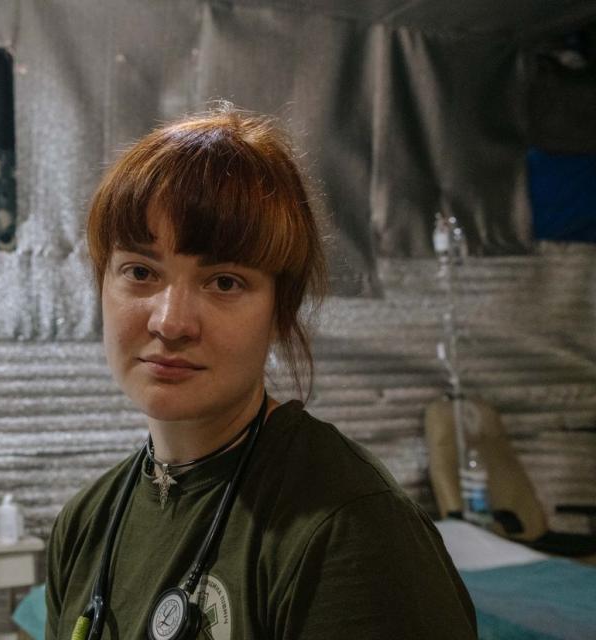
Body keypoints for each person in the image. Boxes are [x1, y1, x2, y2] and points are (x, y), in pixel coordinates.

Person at [45, 106, 476, 640]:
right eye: (140, 272)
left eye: (224, 282)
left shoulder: (348, 531)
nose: (171, 321)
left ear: (280, 311)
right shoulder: (83, 527)